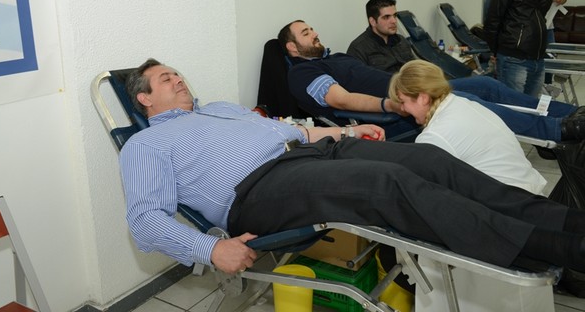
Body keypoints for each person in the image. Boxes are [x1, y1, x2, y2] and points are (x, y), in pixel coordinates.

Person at [120, 58, 585, 277]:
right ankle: (561, 250)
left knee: (431, 160)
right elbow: (144, 221)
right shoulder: (146, 144)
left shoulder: (219, 108)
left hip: (312, 154)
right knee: (387, 184)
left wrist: (348, 132)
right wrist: (210, 249)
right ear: (144, 98)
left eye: (177, 72)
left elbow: (291, 132)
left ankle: (567, 221)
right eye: (165, 79)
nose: (178, 78)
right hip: (259, 191)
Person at [280, 19, 585, 141]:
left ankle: (569, 113)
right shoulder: (302, 73)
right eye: (306, 33)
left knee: (486, 85)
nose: (315, 33)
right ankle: (558, 130)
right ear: (292, 48)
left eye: (312, 28)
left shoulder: (333, 57)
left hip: (413, 90)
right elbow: (342, 100)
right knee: (471, 102)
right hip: (399, 109)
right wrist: (391, 104)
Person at [388, 59, 547, 194]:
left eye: (403, 102)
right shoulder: (462, 103)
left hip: (511, 204)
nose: (402, 109)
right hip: (530, 191)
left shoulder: (434, 136)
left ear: (423, 98)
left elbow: (426, 191)